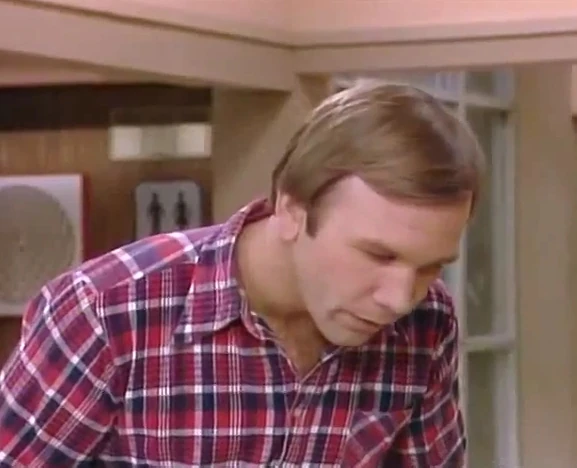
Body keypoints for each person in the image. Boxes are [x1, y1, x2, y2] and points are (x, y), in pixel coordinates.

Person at [0, 81, 483, 467]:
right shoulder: (106, 312)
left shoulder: (428, 320)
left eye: (431, 266)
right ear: (291, 208)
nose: (399, 299)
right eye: (377, 255)